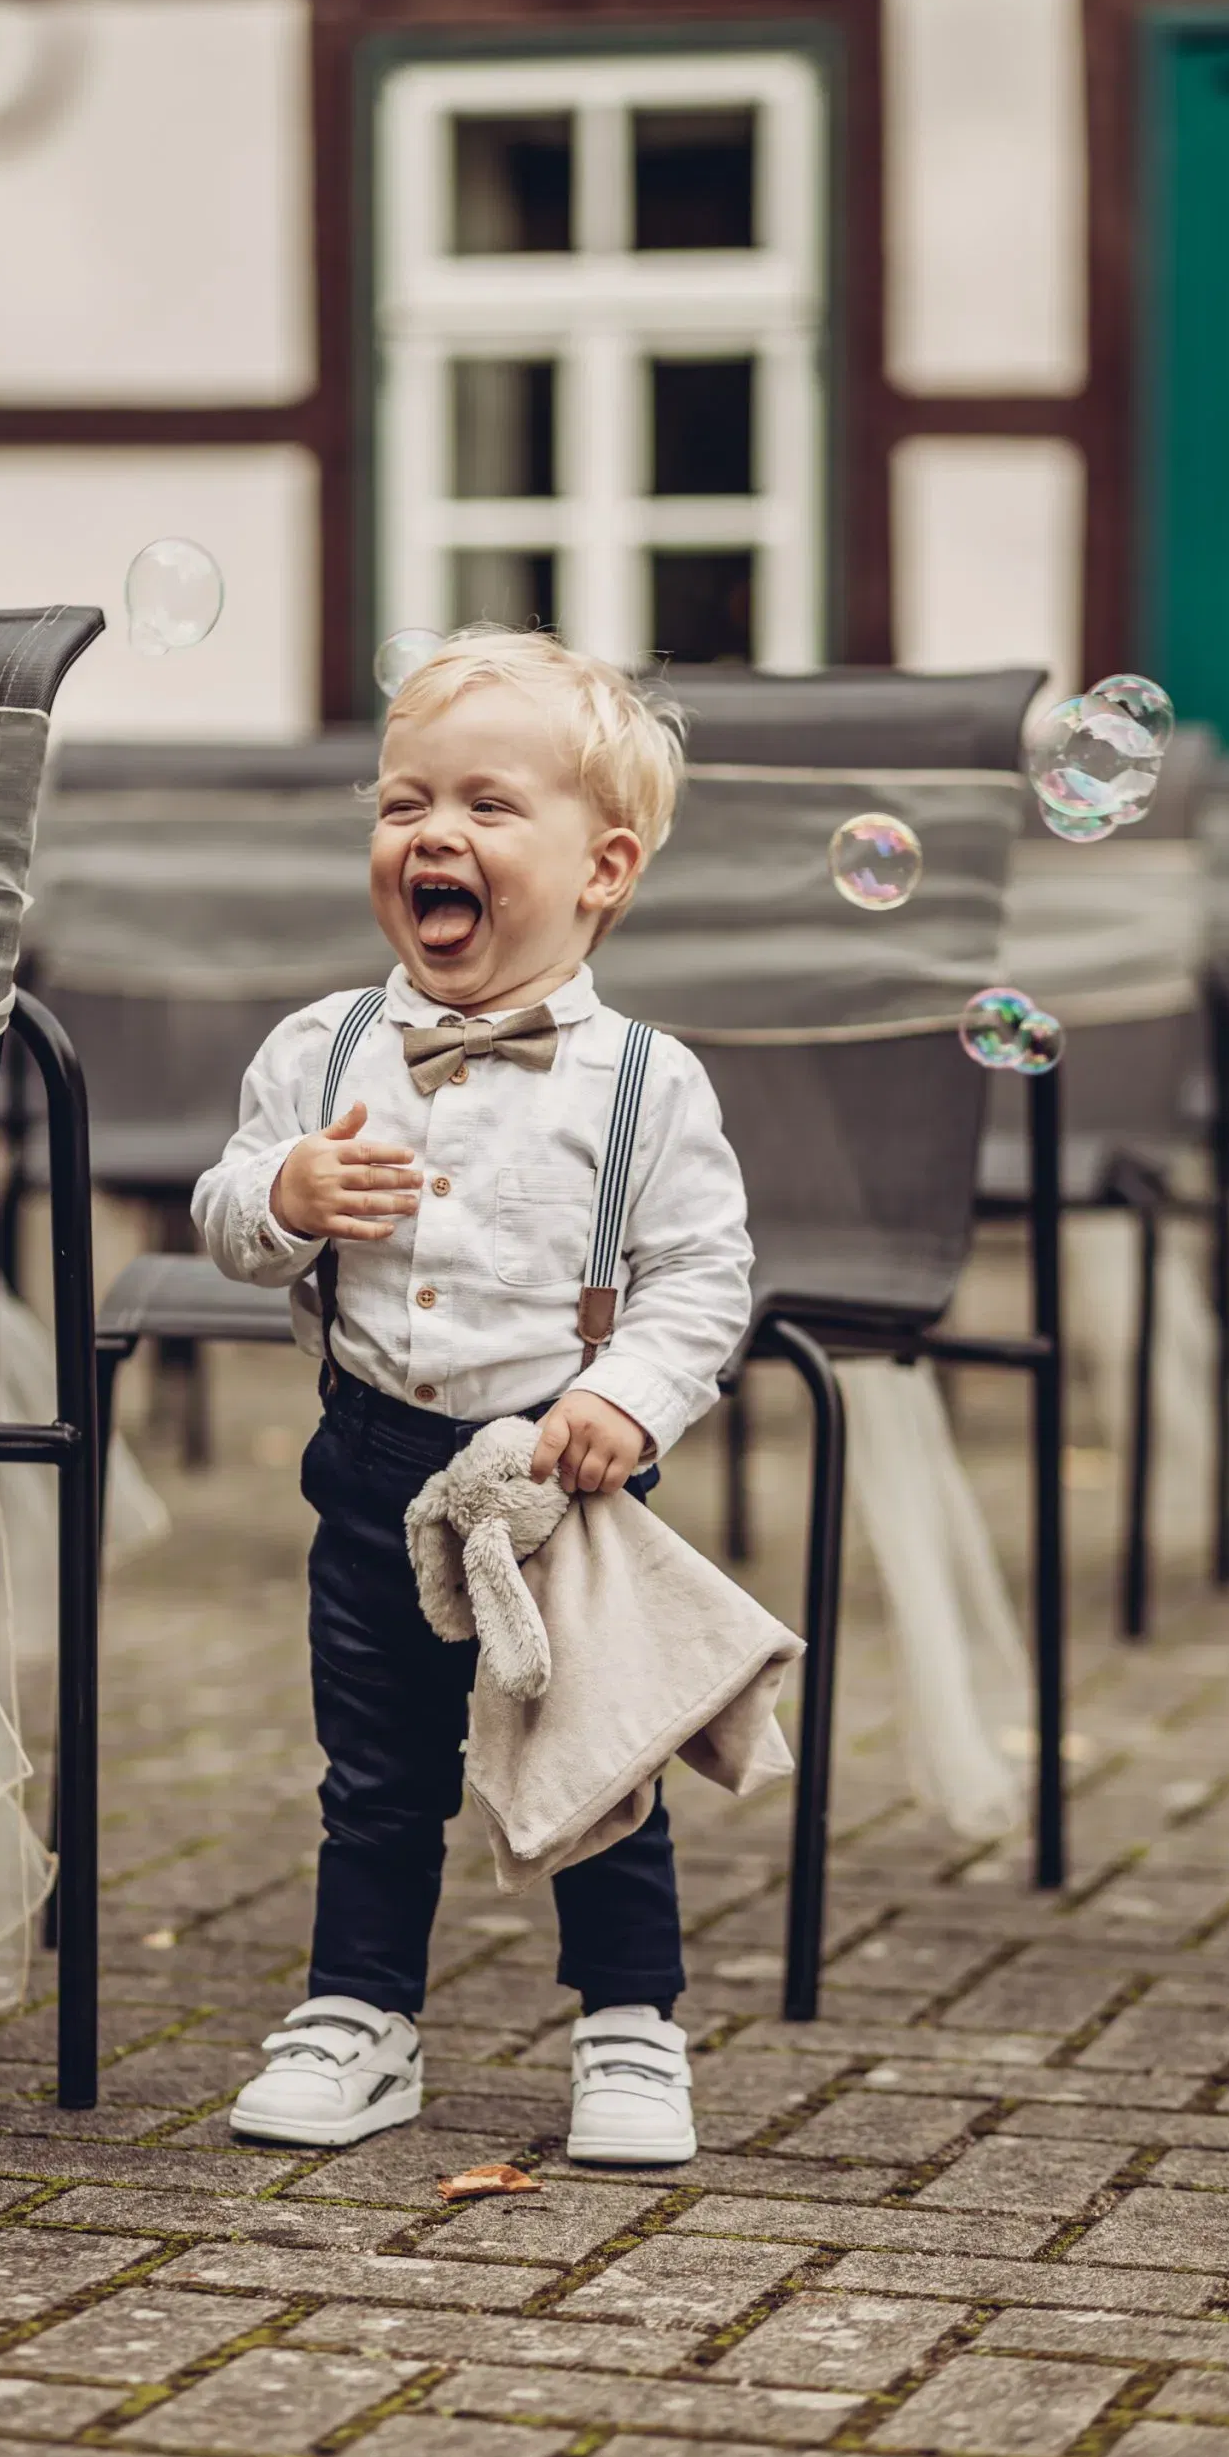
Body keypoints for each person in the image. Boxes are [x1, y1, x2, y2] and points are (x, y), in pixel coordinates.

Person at [191, 628, 753, 2164]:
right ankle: (358, 2016)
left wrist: (630, 1400)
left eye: (488, 806)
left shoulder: (646, 1081)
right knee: (377, 1773)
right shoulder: (318, 1049)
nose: (432, 833)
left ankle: (628, 2026)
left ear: (602, 869)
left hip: (558, 1487)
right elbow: (226, 1215)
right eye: (403, 804)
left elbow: (701, 1275)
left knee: (600, 1764)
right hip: (369, 1463)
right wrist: (286, 1198)